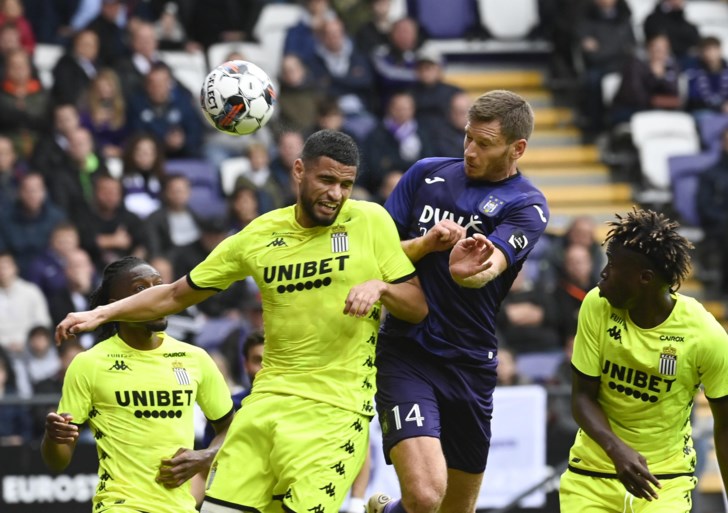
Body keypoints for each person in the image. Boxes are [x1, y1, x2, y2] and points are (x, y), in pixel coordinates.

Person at [55, 129, 428, 513]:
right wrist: (99, 313)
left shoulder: (370, 221)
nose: (336, 194)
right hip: (265, 406)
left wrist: (381, 289)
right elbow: (173, 294)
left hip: (334, 411)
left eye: (346, 184)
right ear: (299, 170)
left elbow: (417, 306)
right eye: (327, 180)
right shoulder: (259, 235)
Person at [368, 89, 550, 513]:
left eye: (484, 144)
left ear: (516, 148)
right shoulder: (424, 174)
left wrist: (469, 273)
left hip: (469, 360)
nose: (470, 150)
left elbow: (494, 263)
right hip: (406, 350)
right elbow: (378, 253)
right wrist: (428, 244)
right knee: (426, 495)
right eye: (468, 137)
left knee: (455, 508)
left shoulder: (527, 204)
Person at [559, 208, 728, 511]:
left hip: (665, 481)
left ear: (645, 279)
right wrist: (616, 450)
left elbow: (725, 426)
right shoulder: (596, 305)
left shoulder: (705, 335)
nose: (603, 273)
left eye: (612, 265)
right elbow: (582, 398)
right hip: (591, 476)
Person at [42, 256, 235, 513]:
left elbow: (230, 428)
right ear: (116, 306)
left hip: (181, 507)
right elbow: (57, 462)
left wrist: (206, 456)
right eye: (141, 289)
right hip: (120, 505)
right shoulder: (90, 363)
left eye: (159, 286)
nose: (155, 295)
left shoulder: (195, 358)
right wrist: (54, 438)